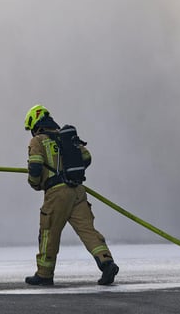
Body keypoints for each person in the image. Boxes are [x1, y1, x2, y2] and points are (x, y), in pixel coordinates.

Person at [23, 104, 118, 286]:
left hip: (57, 194)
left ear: (35, 123)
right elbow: (87, 158)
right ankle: (107, 263)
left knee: (48, 232)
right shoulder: (67, 137)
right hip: (78, 191)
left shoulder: (38, 141)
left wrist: (35, 183)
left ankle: (44, 274)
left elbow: (35, 167)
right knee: (88, 231)